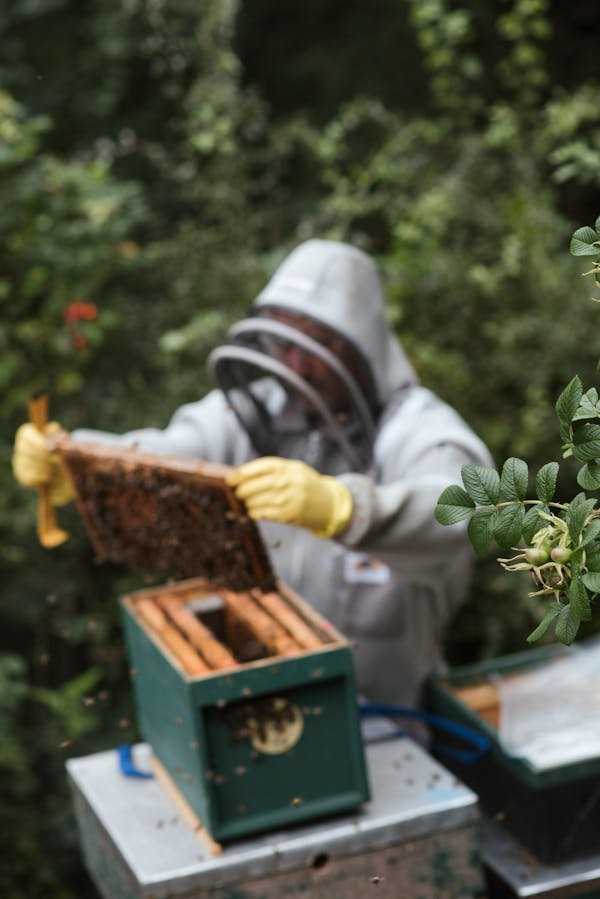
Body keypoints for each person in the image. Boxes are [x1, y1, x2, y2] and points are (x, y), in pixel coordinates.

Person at [12, 239, 493, 710]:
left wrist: (347, 509)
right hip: (266, 706)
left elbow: (473, 508)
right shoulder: (252, 412)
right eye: (286, 342)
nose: (298, 363)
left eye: (318, 343)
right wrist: (78, 460)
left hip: (392, 717)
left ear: (364, 343)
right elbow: (168, 453)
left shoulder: (420, 430)